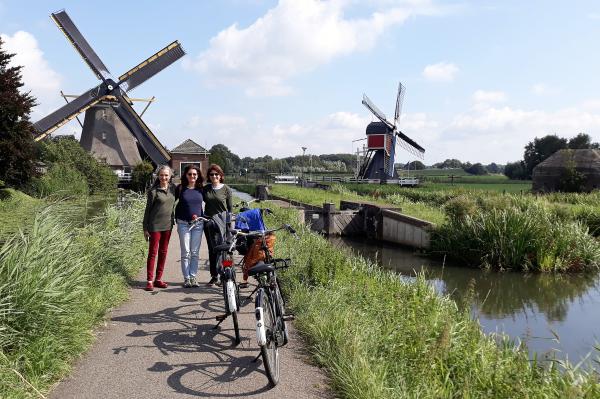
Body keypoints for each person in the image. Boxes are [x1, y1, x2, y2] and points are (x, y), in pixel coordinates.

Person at [142, 165, 176, 292]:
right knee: (153, 253)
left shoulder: (173, 189)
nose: (164, 177)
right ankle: (149, 281)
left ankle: (158, 279)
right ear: (158, 176)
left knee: (163, 252)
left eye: (166, 175)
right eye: (161, 175)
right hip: (154, 226)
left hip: (168, 225)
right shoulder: (153, 191)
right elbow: (147, 211)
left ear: (170, 176)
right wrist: (145, 228)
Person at [175, 164, 205, 288]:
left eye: (194, 174)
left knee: (195, 252)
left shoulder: (201, 189)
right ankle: (186, 278)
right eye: (190, 174)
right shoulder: (180, 188)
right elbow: (170, 201)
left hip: (198, 224)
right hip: (183, 223)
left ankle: (193, 277)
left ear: (198, 176)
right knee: (186, 252)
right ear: (186, 175)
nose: (192, 176)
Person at [203, 164, 233, 285]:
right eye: (211, 174)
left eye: (216, 174)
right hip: (210, 223)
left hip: (224, 223)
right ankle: (214, 275)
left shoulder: (226, 189)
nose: (214, 176)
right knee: (213, 249)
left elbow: (230, 209)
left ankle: (226, 272)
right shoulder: (206, 189)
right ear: (209, 176)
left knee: (227, 249)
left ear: (221, 175)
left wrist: (230, 225)